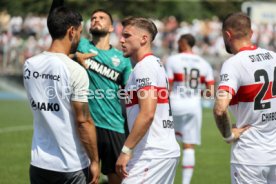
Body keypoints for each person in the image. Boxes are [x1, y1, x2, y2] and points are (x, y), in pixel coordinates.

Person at [23, 6, 99, 184]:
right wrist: (95, 160)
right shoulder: (76, 71)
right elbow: (83, 121)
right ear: (71, 31)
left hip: (39, 163)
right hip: (70, 165)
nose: (80, 37)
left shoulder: (29, 64)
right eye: (80, 32)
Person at [115, 17, 180, 184]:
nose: (121, 40)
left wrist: (126, 150)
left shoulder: (145, 66)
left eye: (127, 35)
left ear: (144, 39)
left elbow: (147, 113)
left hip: (152, 154)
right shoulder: (151, 64)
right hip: (159, 152)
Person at [213, 12, 276, 184]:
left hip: (250, 156)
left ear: (227, 35)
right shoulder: (273, 57)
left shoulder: (233, 64)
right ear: (252, 33)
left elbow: (220, 109)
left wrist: (228, 135)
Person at [76, 9, 132, 184]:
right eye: (93, 18)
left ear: (110, 28)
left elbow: (130, 91)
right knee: (87, 177)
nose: (95, 20)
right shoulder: (81, 46)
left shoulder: (122, 59)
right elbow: (59, 55)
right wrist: (74, 57)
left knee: (117, 177)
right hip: (86, 123)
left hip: (113, 124)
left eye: (101, 18)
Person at [165, 34, 215, 184]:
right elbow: (210, 91)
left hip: (174, 104)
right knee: (189, 145)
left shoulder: (173, 60)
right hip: (193, 106)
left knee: (167, 143)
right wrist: (195, 93)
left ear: (182, 43)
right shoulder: (204, 63)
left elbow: (168, 87)